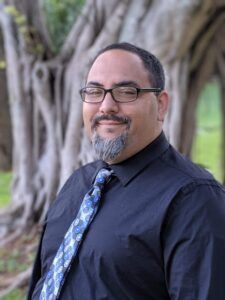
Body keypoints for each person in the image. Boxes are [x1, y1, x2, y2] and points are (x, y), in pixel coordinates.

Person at [28, 42, 225, 300]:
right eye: (95, 91)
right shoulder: (78, 184)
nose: (106, 106)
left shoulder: (194, 199)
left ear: (161, 104)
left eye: (126, 91)